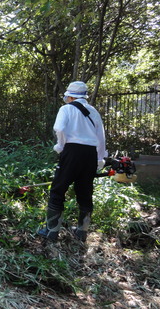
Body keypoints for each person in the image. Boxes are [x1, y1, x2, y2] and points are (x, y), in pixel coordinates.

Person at [38, 81, 108, 242]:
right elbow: (101, 137)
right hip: (90, 154)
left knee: (58, 189)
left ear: (69, 96)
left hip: (71, 151)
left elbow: (60, 129)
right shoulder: (93, 111)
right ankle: (82, 232)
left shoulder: (66, 109)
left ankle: (52, 231)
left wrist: (60, 146)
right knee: (85, 191)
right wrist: (99, 158)